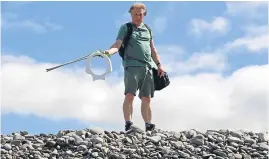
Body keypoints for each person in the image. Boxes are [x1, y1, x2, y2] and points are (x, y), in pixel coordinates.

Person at [104, 2, 165, 131]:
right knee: (130, 94)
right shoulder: (126, 27)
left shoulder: (147, 29)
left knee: (147, 98)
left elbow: (153, 49)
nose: (138, 17)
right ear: (131, 14)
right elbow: (118, 44)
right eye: (135, 14)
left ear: (144, 15)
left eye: (140, 14)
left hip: (148, 67)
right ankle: (128, 122)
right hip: (132, 65)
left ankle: (148, 124)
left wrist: (159, 65)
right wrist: (108, 53)